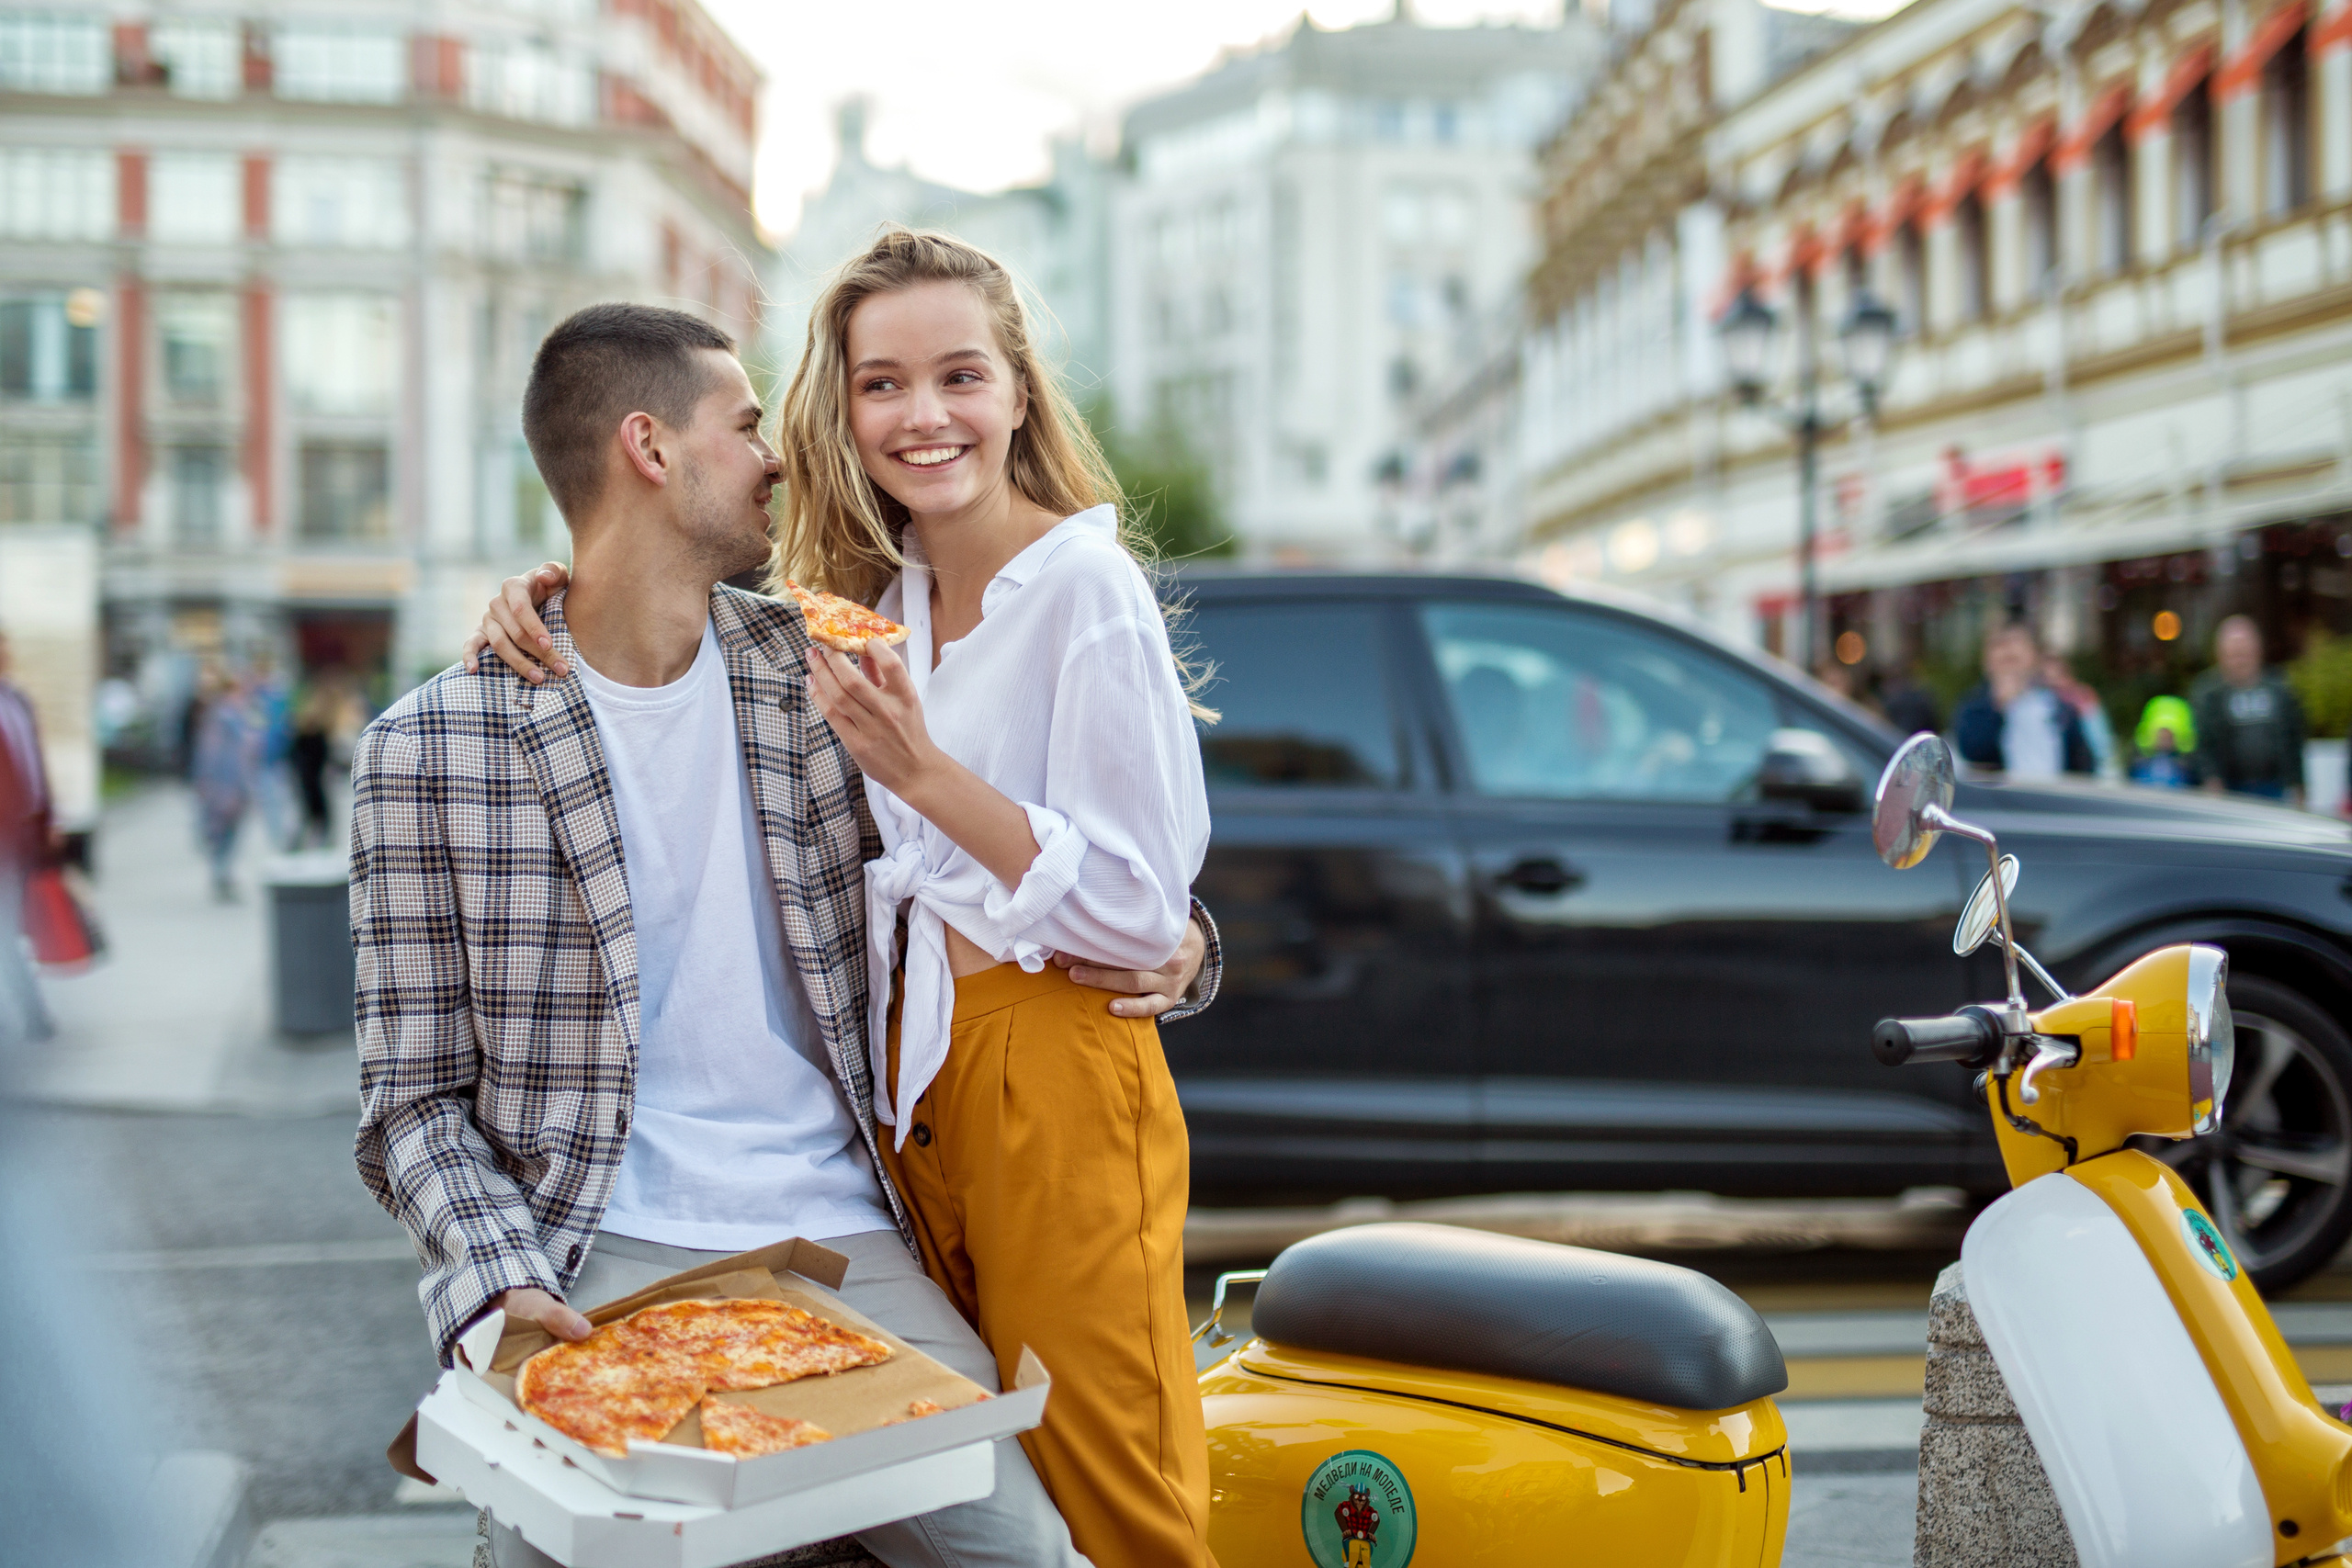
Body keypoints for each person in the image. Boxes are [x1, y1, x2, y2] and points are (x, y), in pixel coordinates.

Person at [372, 301, 1216, 1568]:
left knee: (1026, 1550)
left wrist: (1187, 942)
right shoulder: (430, 747)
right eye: (747, 423)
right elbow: (410, 1101)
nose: (776, 455)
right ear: (650, 449)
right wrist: (498, 1280)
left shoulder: (829, 668)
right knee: (564, 1549)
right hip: (594, 1244)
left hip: (842, 1231)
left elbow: (1018, 837)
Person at [0, 631, 55, 1049]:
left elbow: (33, 765)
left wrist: (48, 818)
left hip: (22, 833)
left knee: (12, 925)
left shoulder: (16, 701)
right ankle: (32, 1013)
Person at [1951, 622, 2096, 779]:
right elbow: (1974, 753)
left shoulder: (2057, 706)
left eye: (2015, 657)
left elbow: (2083, 762)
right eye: (2000, 648)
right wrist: (1998, 708)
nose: (2008, 653)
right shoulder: (1975, 706)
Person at [2190, 615, 2306, 804]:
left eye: (2244, 653)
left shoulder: (2279, 687)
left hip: (2275, 787)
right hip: (2230, 790)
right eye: (2234, 654)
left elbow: (2294, 738)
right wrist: (2210, 780)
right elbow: (2203, 743)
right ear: (2220, 655)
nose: (2240, 660)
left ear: (2258, 651)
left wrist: (2298, 784)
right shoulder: (2209, 693)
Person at [190, 666, 263, 901]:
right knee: (221, 831)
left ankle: (223, 873)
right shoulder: (221, 718)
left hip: (238, 785)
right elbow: (210, 754)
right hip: (223, 786)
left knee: (232, 832)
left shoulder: (240, 717)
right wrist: (209, 785)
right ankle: (220, 874)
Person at [2041, 652, 2117, 777]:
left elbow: (2102, 743)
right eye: (2047, 680)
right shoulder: (2043, 703)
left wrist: (2108, 776)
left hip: (2083, 776)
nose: (2054, 686)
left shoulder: (2082, 698)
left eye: (2057, 678)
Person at [2131, 694, 2199, 788]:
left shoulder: (2188, 768)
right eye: (2161, 735)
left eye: (2169, 736)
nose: (2164, 740)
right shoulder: (2138, 763)